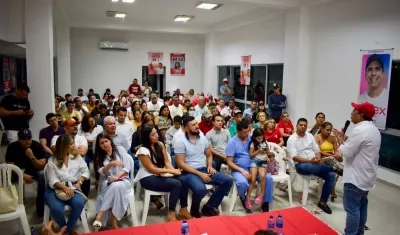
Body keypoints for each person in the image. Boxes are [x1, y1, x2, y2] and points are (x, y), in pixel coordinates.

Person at [334, 102, 381, 235]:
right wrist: (344, 139)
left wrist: (340, 141)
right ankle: (359, 232)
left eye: (354, 110)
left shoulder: (360, 130)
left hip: (356, 177)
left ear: (361, 115)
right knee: (362, 206)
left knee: (352, 209)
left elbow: (347, 152)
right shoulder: (374, 130)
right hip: (367, 177)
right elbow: (359, 146)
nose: (351, 113)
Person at [174, 116, 232, 218]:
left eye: (196, 123)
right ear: (187, 128)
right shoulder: (180, 141)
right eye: (193, 125)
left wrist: (210, 166)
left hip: (203, 169)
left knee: (227, 181)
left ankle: (209, 206)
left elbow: (209, 155)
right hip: (189, 172)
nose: (197, 126)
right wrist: (200, 174)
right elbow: (180, 164)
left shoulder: (203, 138)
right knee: (201, 189)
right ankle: (194, 209)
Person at [137, 126, 193, 222]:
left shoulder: (160, 144)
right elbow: (152, 169)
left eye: (156, 133)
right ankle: (171, 214)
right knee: (176, 184)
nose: (157, 136)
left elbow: (167, 162)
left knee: (183, 179)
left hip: (160, 174)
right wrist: (172, 171)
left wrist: (176, 172)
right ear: (147, 137)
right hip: (147, 177)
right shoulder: (143, 150)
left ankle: (183, 209)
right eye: (153, 134)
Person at [287, 118, 340, 214]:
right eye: (301, 125)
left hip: (315, 163)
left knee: (331, 175)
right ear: (297, 126)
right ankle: (331, 168)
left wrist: (318, 159)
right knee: (308, 166)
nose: (303, 127)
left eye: (305, 125)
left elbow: (317, 150)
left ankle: (322, 202)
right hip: (301, 164)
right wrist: (310, 161)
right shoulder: (291, 139)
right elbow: (295, 157)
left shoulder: (310, 136)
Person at [45, 134, 89, 235]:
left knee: (79, 203)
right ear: (63, 146)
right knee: (56, 209)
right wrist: (64, 188)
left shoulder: (76, 156)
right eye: (71, 144)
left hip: (73, 187)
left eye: (73, 142)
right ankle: (66, 230)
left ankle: (66, 231)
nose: (74, 145)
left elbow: (85, 170)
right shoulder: (52, 160)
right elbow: (53, 180)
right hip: (55, 188)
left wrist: (80, 182)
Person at [226, 119, 273, 213]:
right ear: (238, 131)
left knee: (268, 178)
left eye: (248, 131)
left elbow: (263, 148)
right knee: (243, 183)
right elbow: (229, 162)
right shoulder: (232, 143)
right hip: (240, 169)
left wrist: (267, 157)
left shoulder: (251, 138)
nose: (247, 134)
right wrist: (242, 171)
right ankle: (244, 198)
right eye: (244, 132)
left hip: (256, 165)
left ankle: (265, 202)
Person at [93, 134, 133, 230]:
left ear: (110, 141)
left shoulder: (120, 150)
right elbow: (102, 172)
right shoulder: (99, 156)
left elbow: (127, 167)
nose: (105, 144)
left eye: (106, 141)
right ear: (99, 146)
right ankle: (114, 222)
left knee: (117, 185)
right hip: (108, 183)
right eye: (102, 143)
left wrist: (117, 176)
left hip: (124, 180)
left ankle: (100, 214)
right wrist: (111, 164)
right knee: (116, 187)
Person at [6, 129, 46, 218]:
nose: (27, 141)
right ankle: (9, 204)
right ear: (19, 139)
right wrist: (22, 175)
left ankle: (41, 209)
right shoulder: (12, 147)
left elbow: (42, 165)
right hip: (16, 171)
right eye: (23, 139)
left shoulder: (37, 146)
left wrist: (31, 156)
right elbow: (10, 167)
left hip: (32, 169)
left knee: (43, 176)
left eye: (29, 138)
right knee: (4, 176)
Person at [358, 54, 389, 128]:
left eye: (377, 69)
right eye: (370, 69)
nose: (373, 73)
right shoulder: (360, 98)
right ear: (365, 74)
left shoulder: (388, 98)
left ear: (383, 73)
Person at [245, 128, 273, 210]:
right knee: (253, 179)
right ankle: (248, 198)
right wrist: (257, 152)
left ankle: (262, 194)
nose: (260, 140)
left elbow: (269, 154)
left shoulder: (265, 142)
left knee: (262, 176)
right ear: (254, 137)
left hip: (263, 161)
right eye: (258, 138)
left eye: (261, 137)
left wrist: (269, 157)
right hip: (254, 161)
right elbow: (250, 155)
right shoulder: (253, 144)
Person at [315, 122, 343, 201]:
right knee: (335, 164)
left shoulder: (332, 138)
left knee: (335, 171)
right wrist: (331, 155)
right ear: (322, 129)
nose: (329, 132)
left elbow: (336, 150)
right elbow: (318, 151)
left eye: (330, 130)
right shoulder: (317, 137)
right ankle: (342, 171)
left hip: (332, 159)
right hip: (322, 159)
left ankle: (332, 188)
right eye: (327, 130)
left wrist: (337, 155)